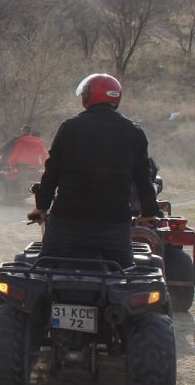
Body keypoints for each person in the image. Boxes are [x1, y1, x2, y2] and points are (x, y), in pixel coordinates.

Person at [28, 74, 158, 267]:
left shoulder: (70, 127)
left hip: (67, 221)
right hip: (114, 225)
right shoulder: (134, 131)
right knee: (125, 278)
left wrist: (41, 207)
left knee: (46, 269)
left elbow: (52, 171)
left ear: (88, 95)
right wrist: (149, 212)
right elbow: (143, 178)